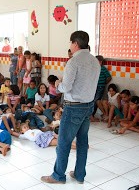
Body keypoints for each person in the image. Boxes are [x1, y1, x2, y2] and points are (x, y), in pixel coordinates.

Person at [41, 31, 100, 184]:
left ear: (75, 43)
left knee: (63, 142)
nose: (70, 46)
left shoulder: (73, 62)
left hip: (74, 107)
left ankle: (58, 176)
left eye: (70, 43)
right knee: (82, 142)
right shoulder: (95, 61)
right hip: (88, 106)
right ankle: (80, 175)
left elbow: (66, 87)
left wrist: (58, 84)